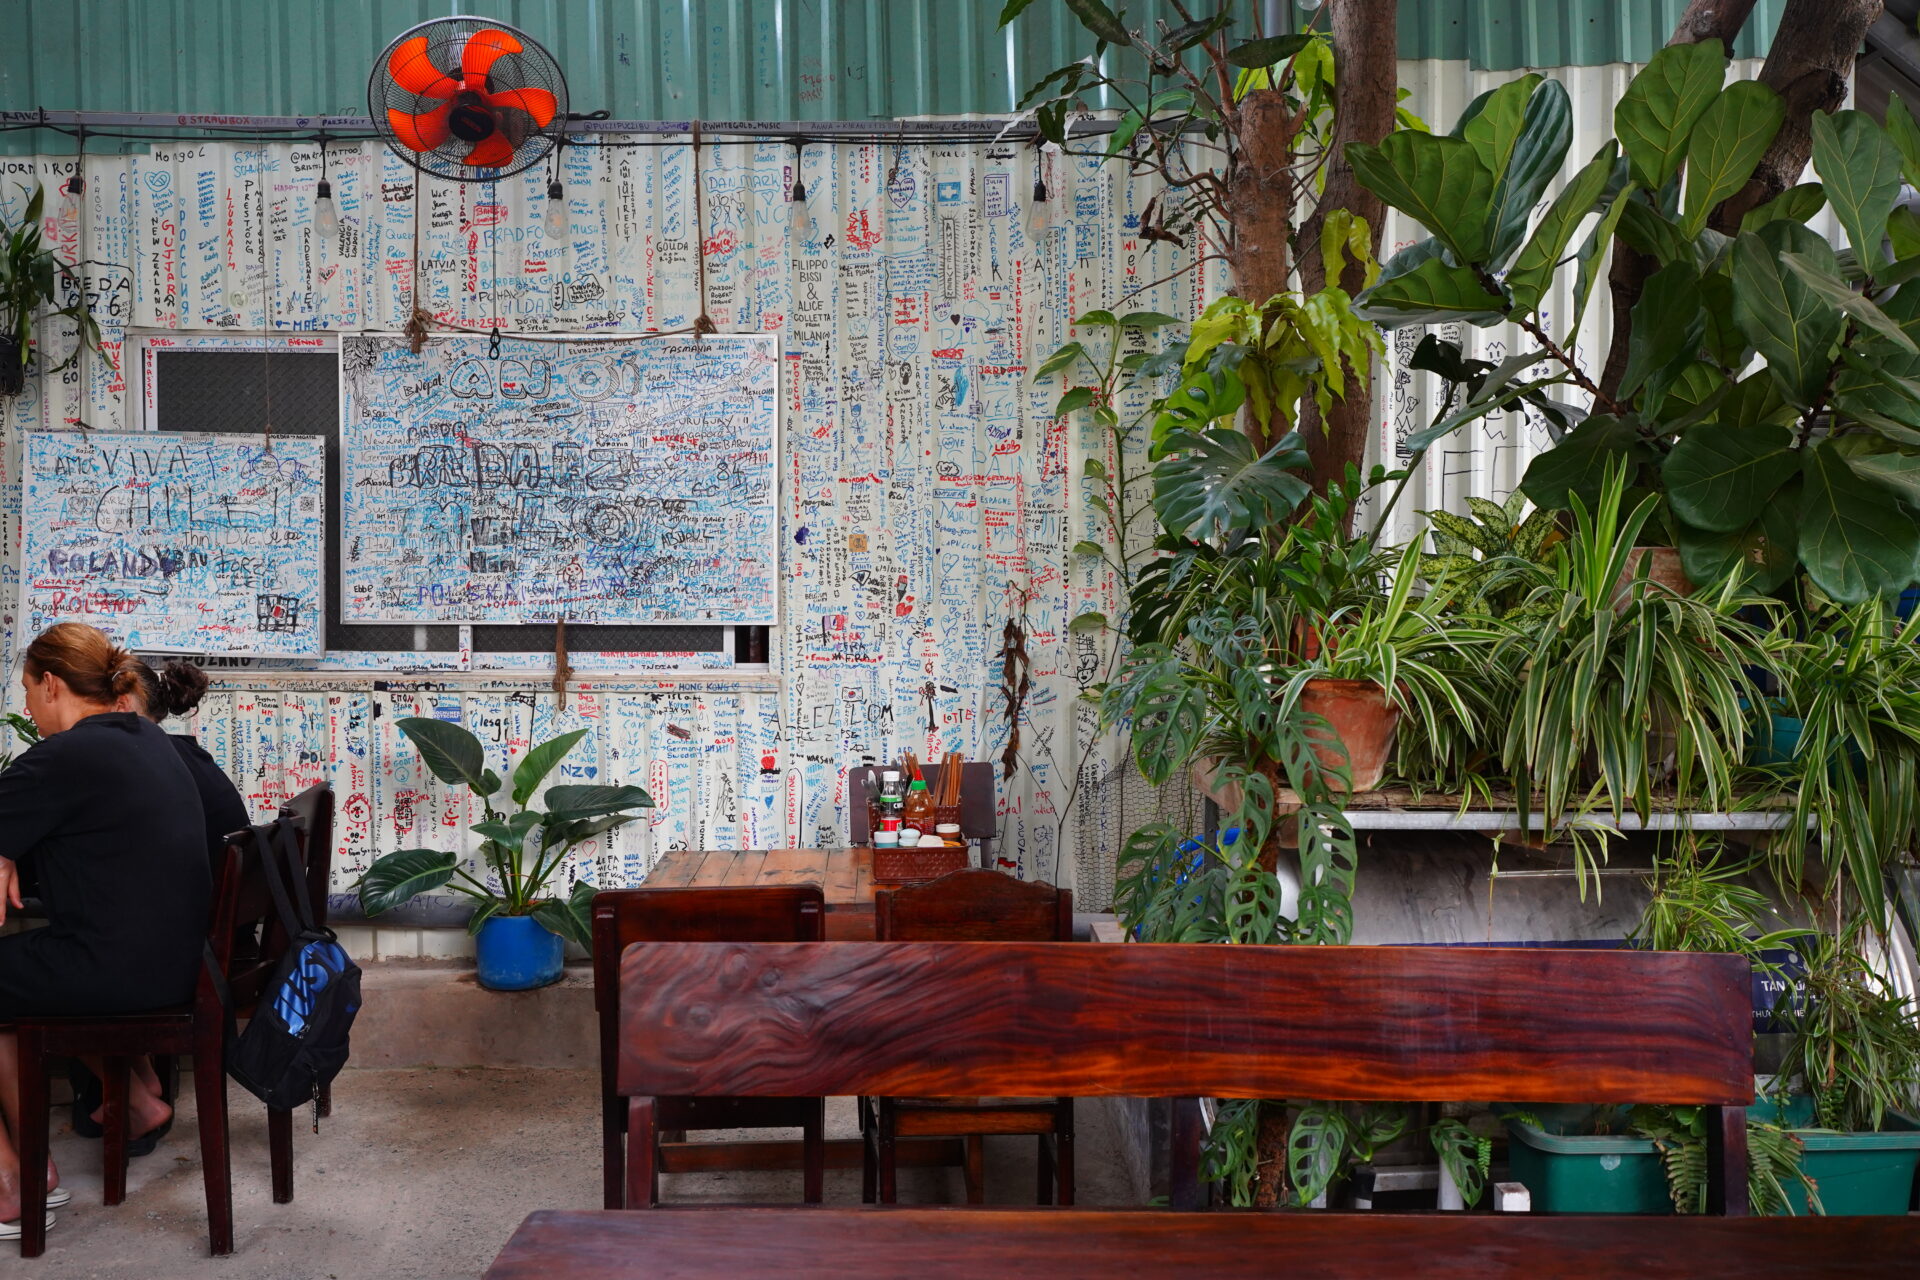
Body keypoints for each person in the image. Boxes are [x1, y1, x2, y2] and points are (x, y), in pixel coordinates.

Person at [0, 624, 211, 1237]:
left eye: (27, 692)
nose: (27, 708)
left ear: (51, 684)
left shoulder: (64, 756)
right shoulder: (146, 739)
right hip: (179, 966)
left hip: (115, 972)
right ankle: (132, 1105)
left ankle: (12, 1180)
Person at [127, 658, 251, 877]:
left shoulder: (148, 762)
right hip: (235, 887)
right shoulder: (179, 752)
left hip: (206, 892)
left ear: (122, 704)